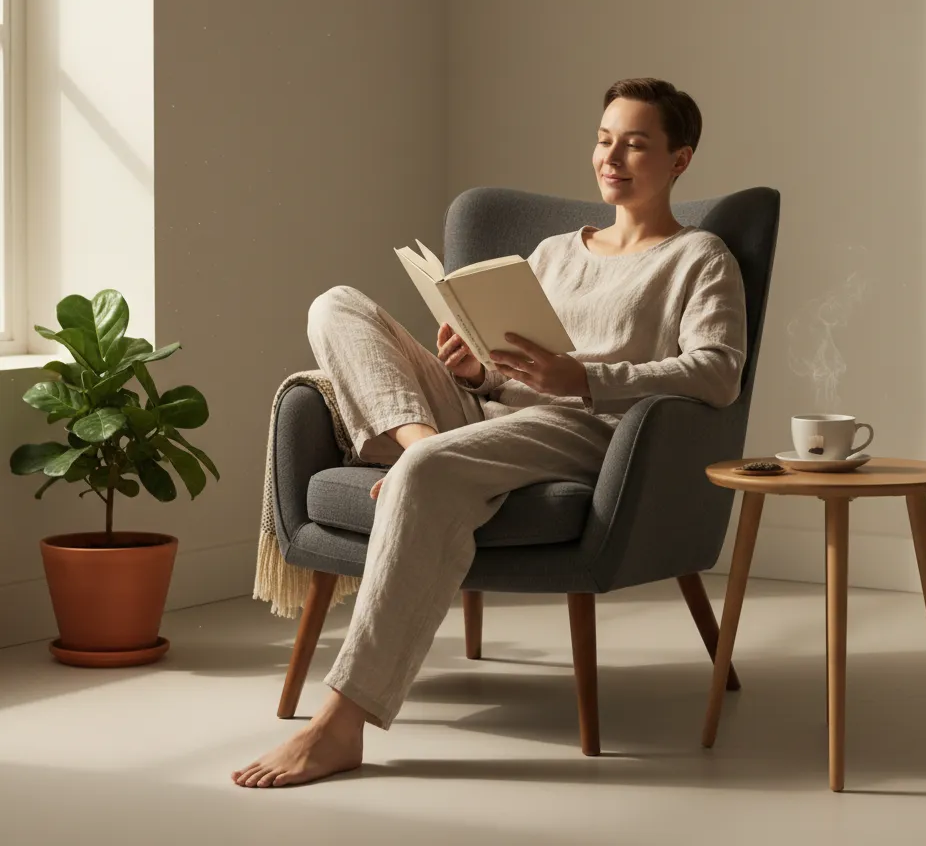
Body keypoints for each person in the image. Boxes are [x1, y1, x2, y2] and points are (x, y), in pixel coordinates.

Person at [231, 77, 748, 788]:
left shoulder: (700, 258)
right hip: (495, 416)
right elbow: (509, 373)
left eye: (634, 144)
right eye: (603, 140)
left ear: (679, 159)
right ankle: (417, 449)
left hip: (586, 427)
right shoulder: (554, 254)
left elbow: (717, 373)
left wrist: (589, 379)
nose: (612, 157)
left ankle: (340, 725)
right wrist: (475, 371)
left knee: (434, 468)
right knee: (337, 305)